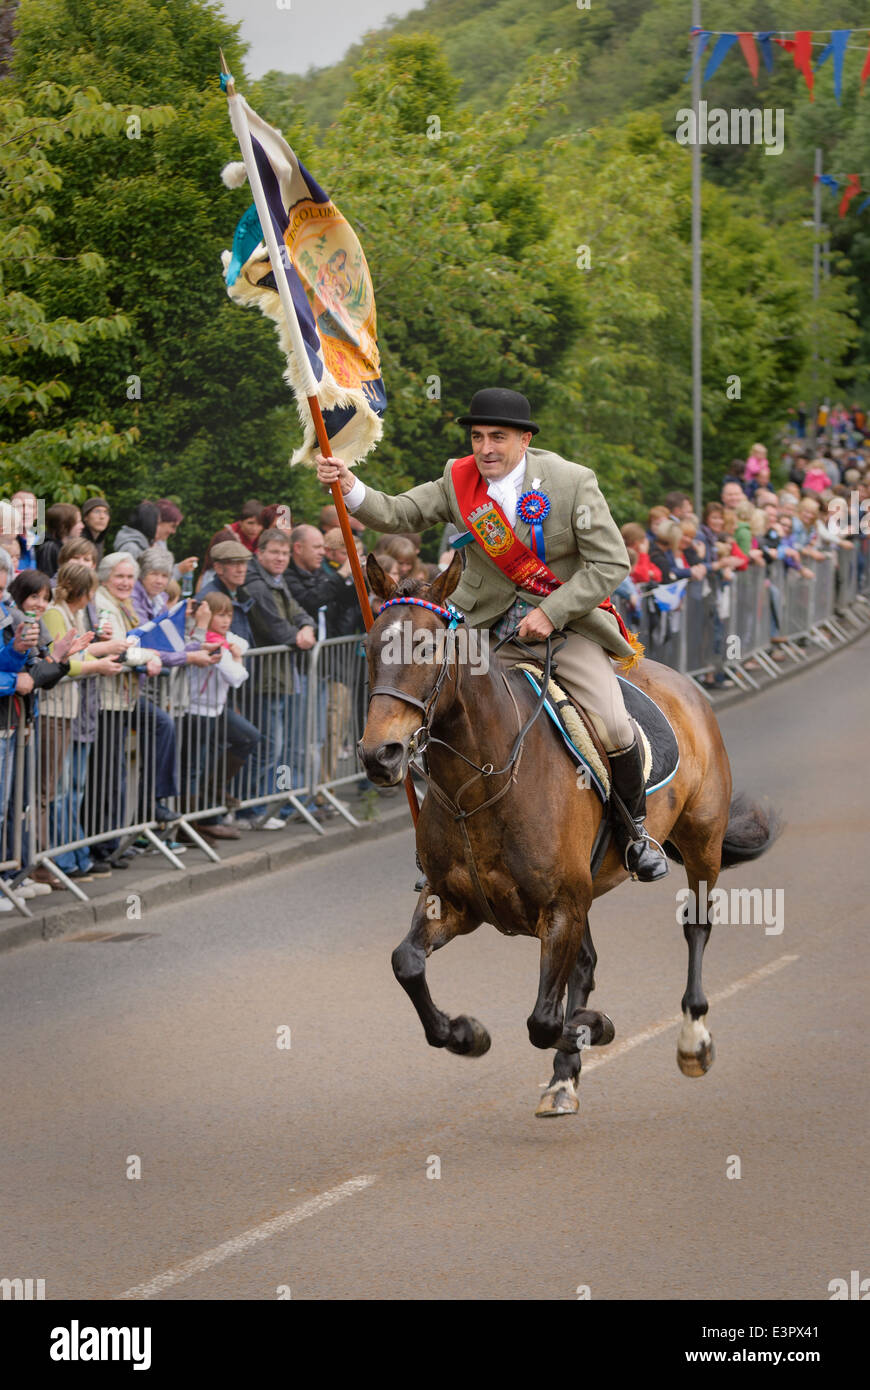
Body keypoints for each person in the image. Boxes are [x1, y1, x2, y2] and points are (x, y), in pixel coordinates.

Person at [316, 385, 668, 881]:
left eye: (497, 438)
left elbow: (610, 561)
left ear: (524, 441)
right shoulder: (457, 480)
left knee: (611, 723)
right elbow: (397, 513)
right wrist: (349, 484)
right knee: (433, 714)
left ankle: (635, 833)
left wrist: (552, 609)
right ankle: (443, 845)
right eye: (478, 437)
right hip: (479, 628)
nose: (485, 449)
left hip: (562, 629)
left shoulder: (572, 482)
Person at [198, 540, 256, 644]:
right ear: (218, 568)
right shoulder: (206, 599)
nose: (241, 569)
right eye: (234, 564)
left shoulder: (242, 594)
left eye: (243, 563)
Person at [35, 503, 83, 577]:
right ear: (63, 525)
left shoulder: (65, 547)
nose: (82, 526)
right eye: (78, 522)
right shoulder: (49, 548)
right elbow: (47, 579)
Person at [81, 497, 111, 562]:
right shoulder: (79, 542)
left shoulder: (99, 541)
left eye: (106, 513)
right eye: (97, 511)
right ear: (86, 517)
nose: (102, 516)